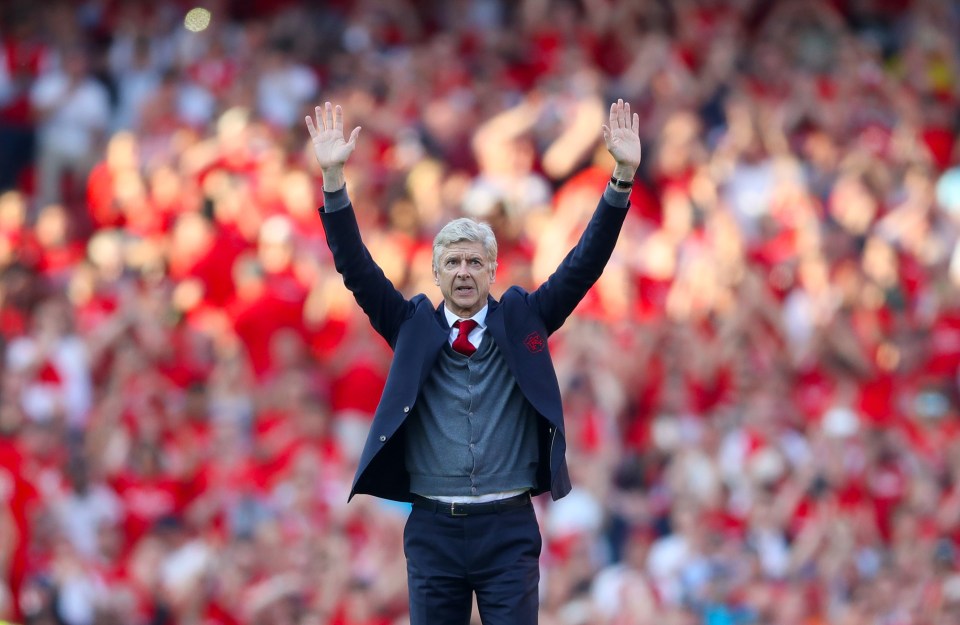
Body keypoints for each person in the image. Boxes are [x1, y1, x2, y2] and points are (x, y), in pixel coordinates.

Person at [305, 99, 641, 625]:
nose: (463, 272)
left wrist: (620, 178)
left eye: (474, 261)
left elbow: (583, 265)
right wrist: (332, 181)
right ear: (437, 273)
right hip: (434, 528)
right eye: (452, 262)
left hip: (508, 527)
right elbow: (356, 269)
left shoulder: (523, 318)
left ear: (492, 269)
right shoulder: (413, 325)